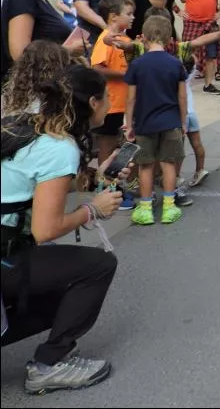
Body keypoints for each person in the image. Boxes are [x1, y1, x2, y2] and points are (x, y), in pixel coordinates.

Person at [1, 65, 123, 394]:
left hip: (8, 246)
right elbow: (45, 229)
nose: (111, 104)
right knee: (99, 266)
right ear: (94, 102)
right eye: (108, 97)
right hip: (6, 254)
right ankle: (48, 365)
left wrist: (96, 177)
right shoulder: (60, 148)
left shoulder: (25, 122)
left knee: (55, 287)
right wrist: (91, 209)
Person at [124, 16, 187, 226]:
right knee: (169, 163)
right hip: (170, 121)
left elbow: (131, 97)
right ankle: (169, 206)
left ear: (144, 37)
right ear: (169, 38)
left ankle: (145, 208)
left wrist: (129, 123)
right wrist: (183, 121)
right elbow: (182, 96)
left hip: (144, 122)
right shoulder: (175, 64)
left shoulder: (137, 65)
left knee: (145, 165)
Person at [89, 0, 135, 171]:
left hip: (125, 104)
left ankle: (123, 183)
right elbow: (97, 68)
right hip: (112, 104)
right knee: (107, 146)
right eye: (129, 14)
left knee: (126, 146)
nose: (133, 18)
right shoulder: (105, 39)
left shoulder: (125, 39)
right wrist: (125, 74)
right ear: (113, 16)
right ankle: (105, 183)